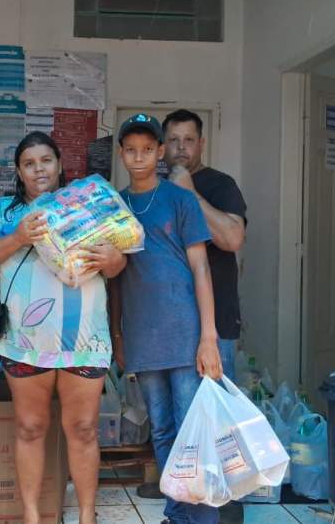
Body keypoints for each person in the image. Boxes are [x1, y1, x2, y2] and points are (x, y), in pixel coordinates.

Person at [0, 132, 126, 524]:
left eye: (46, 161)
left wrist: (112, 259)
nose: (39, 169)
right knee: (29, 427)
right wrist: (19, 235)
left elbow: (118, 266)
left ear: (59, 164)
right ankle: (31, 517)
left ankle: (86, 517)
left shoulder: (86, 205)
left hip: (84, 340)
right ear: (19, 171)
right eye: (29, 163)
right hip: (25, 341)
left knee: (84, 429)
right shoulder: (4, 211)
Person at [110, 113, 223, 524]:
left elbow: (201, 268)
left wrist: (208, 336)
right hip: (142, 334)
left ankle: (203, 519)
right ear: (122, 154)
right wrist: (118, 334)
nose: (139, 158)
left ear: (160, 152)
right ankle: (178, 515)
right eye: (131, 150)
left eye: (147, 149)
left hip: (184, 330)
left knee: (195, 429)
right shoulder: (116, 205)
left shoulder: (180, 200)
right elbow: (115, 280)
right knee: (162, 430)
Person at [163, 109, 247, 383]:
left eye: (189, 139)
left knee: (215, 420)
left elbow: (233, 238)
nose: (181, 148)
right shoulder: (155, 188)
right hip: (167, 324)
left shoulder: (221, 185)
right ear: (163, 145)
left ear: (202, 143)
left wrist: (190, 193)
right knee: (173, 422)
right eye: (174, 140)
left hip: (216, 327)